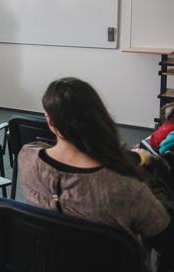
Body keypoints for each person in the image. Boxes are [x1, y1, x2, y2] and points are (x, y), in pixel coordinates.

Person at [18, 77, 173, 268]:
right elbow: (167, 242)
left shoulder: (26, 158)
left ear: (49, 120)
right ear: (99, 117)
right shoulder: (126, 188)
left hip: (49, 262)